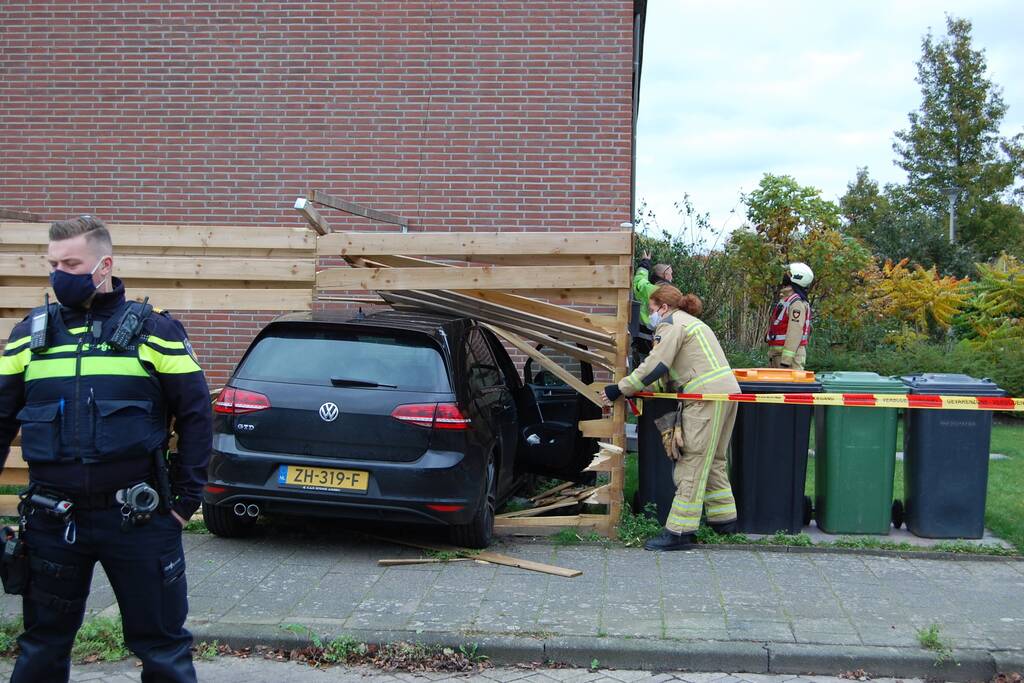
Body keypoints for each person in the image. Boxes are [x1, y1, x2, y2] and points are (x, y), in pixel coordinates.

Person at [0, 215, 212, 682]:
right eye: (53, 263)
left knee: (163, 649)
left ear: (104, 265)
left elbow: (197, 417)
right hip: (52, 521)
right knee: (40, 647)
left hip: (138, 520)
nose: (59, 274)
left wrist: (185, 502)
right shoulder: (28, 337)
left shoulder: (156, 332)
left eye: (71, 263)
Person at [603, 285, 739, 551]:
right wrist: (645, 389)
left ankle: (679, 532)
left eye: (652, 309)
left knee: (691, 460)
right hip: (726, 394)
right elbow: (671, 374)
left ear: (663, 307)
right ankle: (724, 520)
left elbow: (657, 364)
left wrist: (621, 388)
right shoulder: (692, 323)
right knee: (714, 459)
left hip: (704, 398)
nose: (651, 316)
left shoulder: (671, 324)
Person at [765, 262, 814, 371]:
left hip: (789, 360)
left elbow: (795, 332)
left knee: (789, 388)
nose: (784, 276)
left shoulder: (796, 303)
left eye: (788, 273)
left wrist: (786, 361)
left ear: (796, 277)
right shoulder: (787, 299)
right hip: (778, 355)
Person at [631, 250, 673, 360]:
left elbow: (639, 281)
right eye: (670, 274)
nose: (671, 276)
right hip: (660, 340)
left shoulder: (647, 288)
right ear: (665, 275)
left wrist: (645, 263)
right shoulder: (671, 293)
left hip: (642, 338)